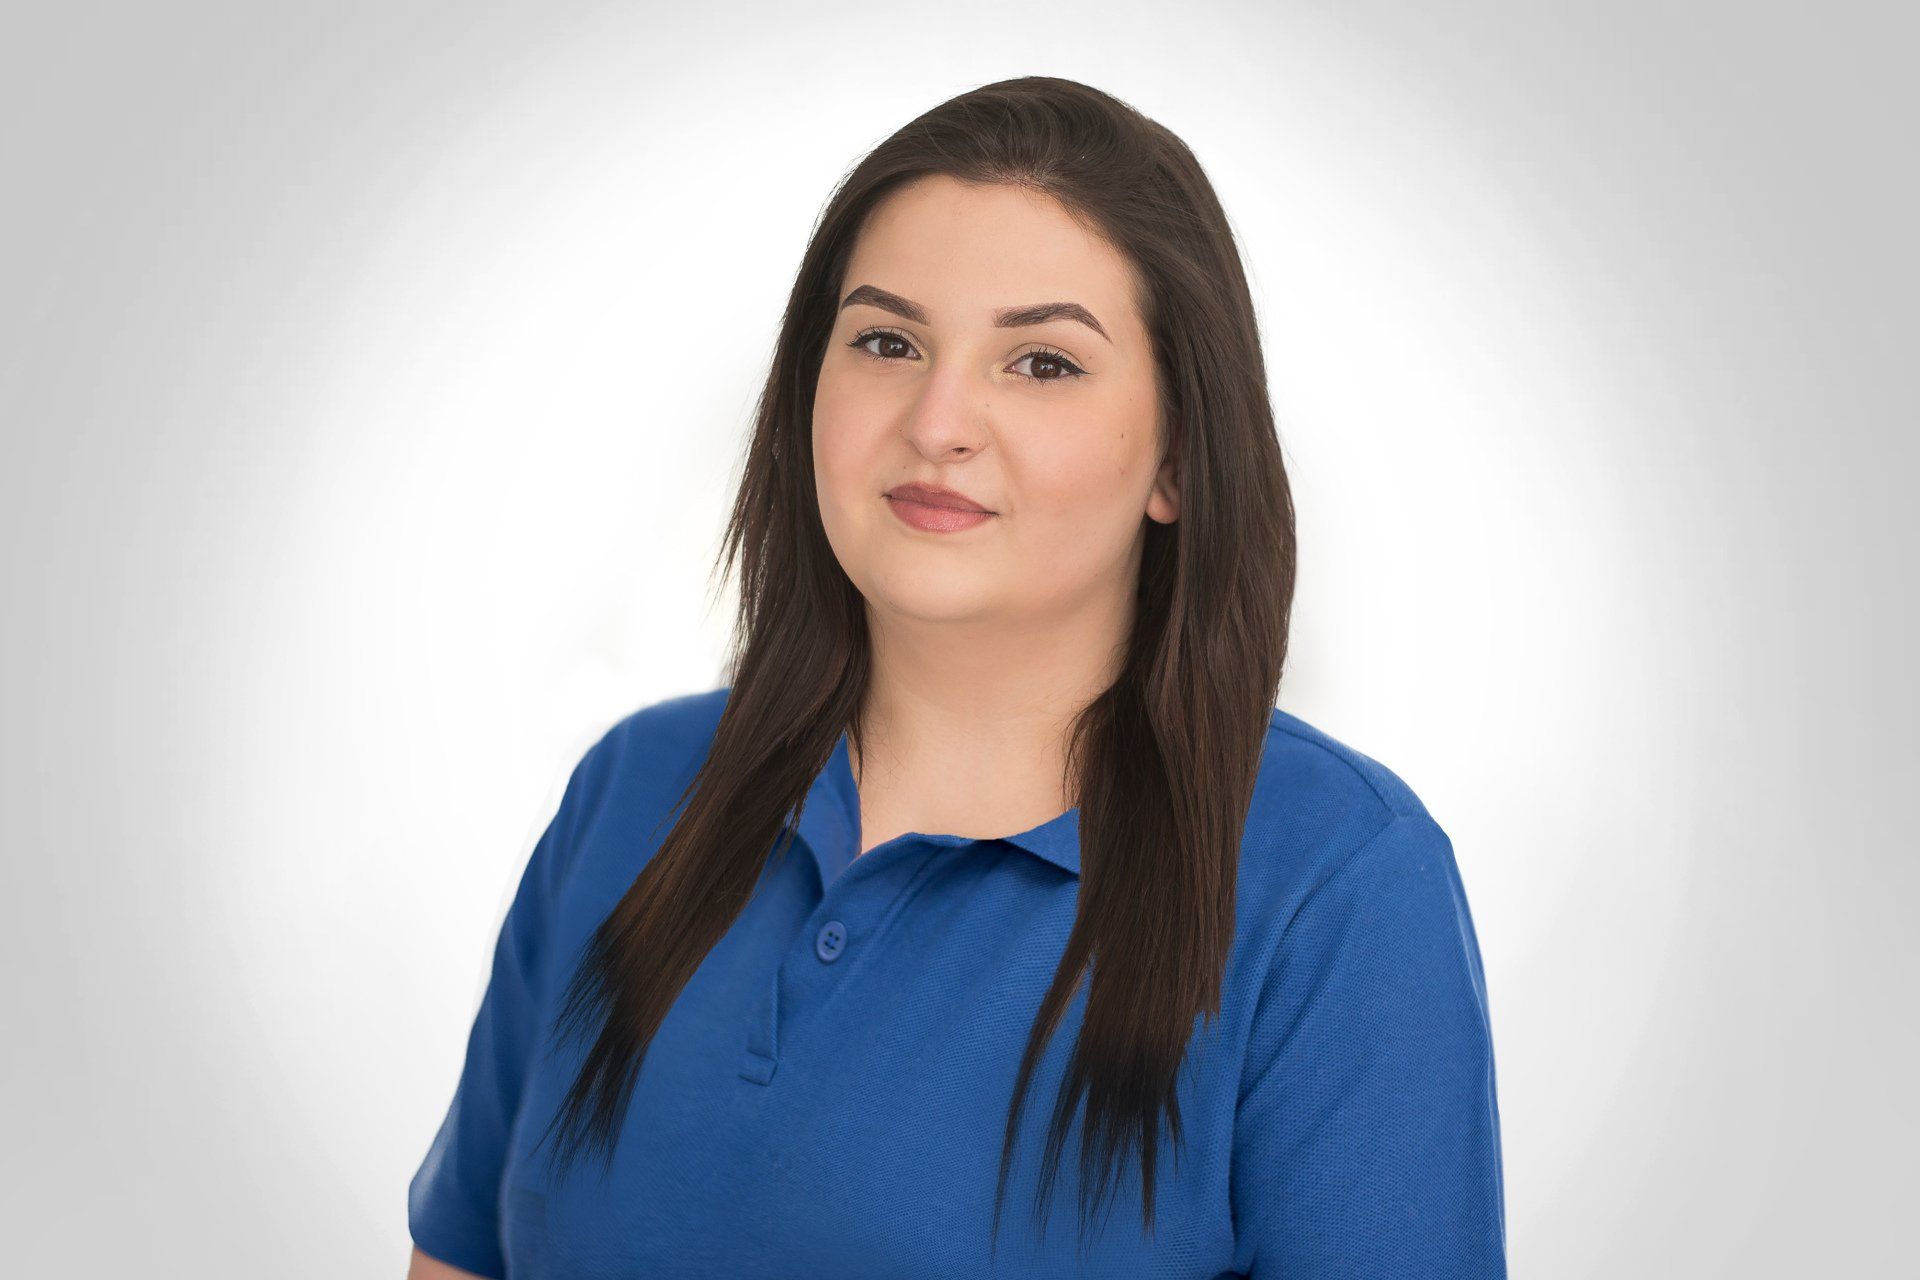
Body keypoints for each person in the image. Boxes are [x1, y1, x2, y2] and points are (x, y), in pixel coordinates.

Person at [407, 76, 1506, 1278]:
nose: (938, 422)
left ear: (1179, 460)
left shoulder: (1336, 882)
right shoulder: (632, 791)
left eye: (1041, 362)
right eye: (888, 342)